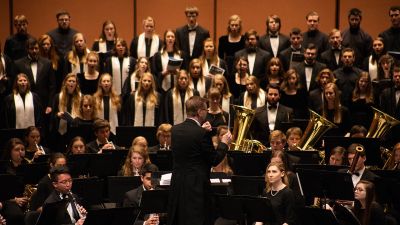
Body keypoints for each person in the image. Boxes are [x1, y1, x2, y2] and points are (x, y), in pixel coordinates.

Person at [167, 96, 231, 225]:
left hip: (178, 185)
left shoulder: (175, 130)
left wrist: (202, 130)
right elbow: (214, 160)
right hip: (196, 189)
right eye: (205, 110)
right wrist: (224, 144)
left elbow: (190, 146)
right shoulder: (202, 134)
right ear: (200, 111)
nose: (207, 112)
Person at [13, 37, 56, 115]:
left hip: (44, 103)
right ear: (27, 49)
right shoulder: (18, 64)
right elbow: (15, 86)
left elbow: (52, 86)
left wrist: (50, 105)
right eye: (31, 49)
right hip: (24, 102)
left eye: (36, 48)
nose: (34, 51)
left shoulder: (47, 63)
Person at [0, 138, 28, 225]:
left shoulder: (28, 166)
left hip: (25, 200)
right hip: (8, 202)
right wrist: (14, 200)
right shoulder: (3, 169)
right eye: (16, 150)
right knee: (16, 215)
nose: (20, 152)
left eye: (22, 149)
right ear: (10, 152)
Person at [50, 73, 81, 151]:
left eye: (74, 81)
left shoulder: (81, 97)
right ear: (65, 83)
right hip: (61, 130)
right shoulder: (58, 97)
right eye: (69, 81)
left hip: (75, 129)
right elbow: (53, 114)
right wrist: (58, 114)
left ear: (76, 84)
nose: (71, 83)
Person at [151, 29, 184, 94]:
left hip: (178, 88)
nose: (170, 38)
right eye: (168, 36)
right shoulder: (158, 55)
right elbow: (154, 74)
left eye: (172, 36)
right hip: (163, 89)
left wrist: (179, 73)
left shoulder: (181, 54)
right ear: (165, 39)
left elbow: (185, 71)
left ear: (175, 39)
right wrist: (163, 73)